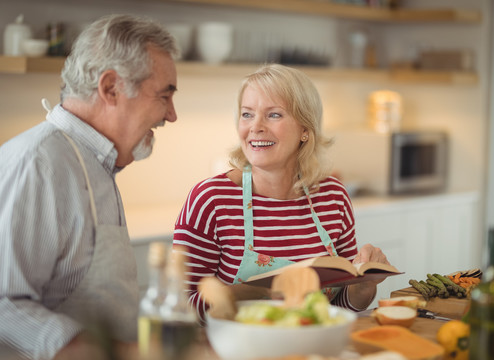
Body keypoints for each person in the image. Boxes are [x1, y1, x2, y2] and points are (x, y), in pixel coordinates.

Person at [0, 14, 178, 360]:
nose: (171, 115)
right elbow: (4, 304)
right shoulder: (39, 164)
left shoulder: (94, 163)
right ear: (110, 88)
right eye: (164, 96)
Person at [173, 63, 390, 321]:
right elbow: (179, 308)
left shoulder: (333, 197)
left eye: (273, 115)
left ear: (305, 130)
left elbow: (339, 308)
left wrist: (363, 285)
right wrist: (257, 292)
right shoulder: (210, 200)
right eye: (247, 114)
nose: (256, 126)